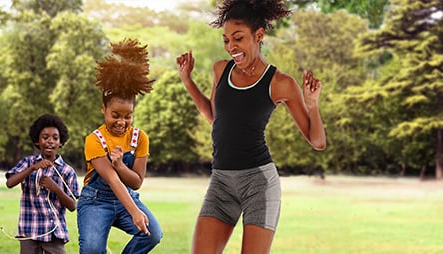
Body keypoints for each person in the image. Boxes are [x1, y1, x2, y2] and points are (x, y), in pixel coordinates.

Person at [176, 0, 327, 253]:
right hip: (221, 181)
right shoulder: (221, 70)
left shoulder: (280, 83)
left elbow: (317, 141)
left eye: (238, 38)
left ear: (258, 35)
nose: (231, 47)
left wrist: (312, 105)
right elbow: (215, 117)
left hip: (259, 183)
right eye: (226, 40)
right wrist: (187, 80)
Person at [77, 38, 163, 254]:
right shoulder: (94, 139)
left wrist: (121, 165)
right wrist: (134, 212)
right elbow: (112, 179)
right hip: (96, 201)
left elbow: (136, 183)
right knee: (93, 251)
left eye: (128, 116)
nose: (121, 122)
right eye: (115, 115)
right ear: (103, 109)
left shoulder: (139, 138)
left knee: (153, 234)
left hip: (128, 197)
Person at [5, 113, 80, 254]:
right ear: (37, 141)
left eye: (55, 138)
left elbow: (72, 206)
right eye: (45, 137)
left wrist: (56, 188)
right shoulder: (28, 163)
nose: (50, 141)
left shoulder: (66, 171)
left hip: (55, 232)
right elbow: (10, 183)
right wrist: (33, 168)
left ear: (61, 142)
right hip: (29, 230)